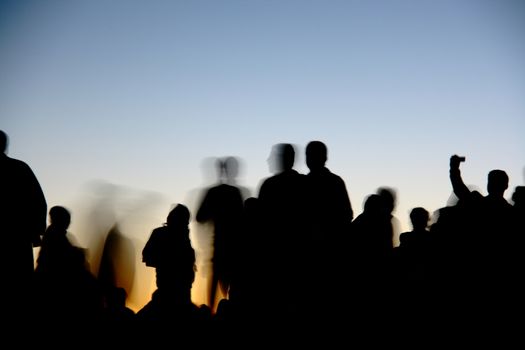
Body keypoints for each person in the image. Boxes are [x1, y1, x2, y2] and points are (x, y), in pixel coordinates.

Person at [0, 130, 47, 316]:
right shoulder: (20, 168)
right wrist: (35, 232)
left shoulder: (19, 169)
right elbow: (38, 202)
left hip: (16, 239)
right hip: (18, 240)